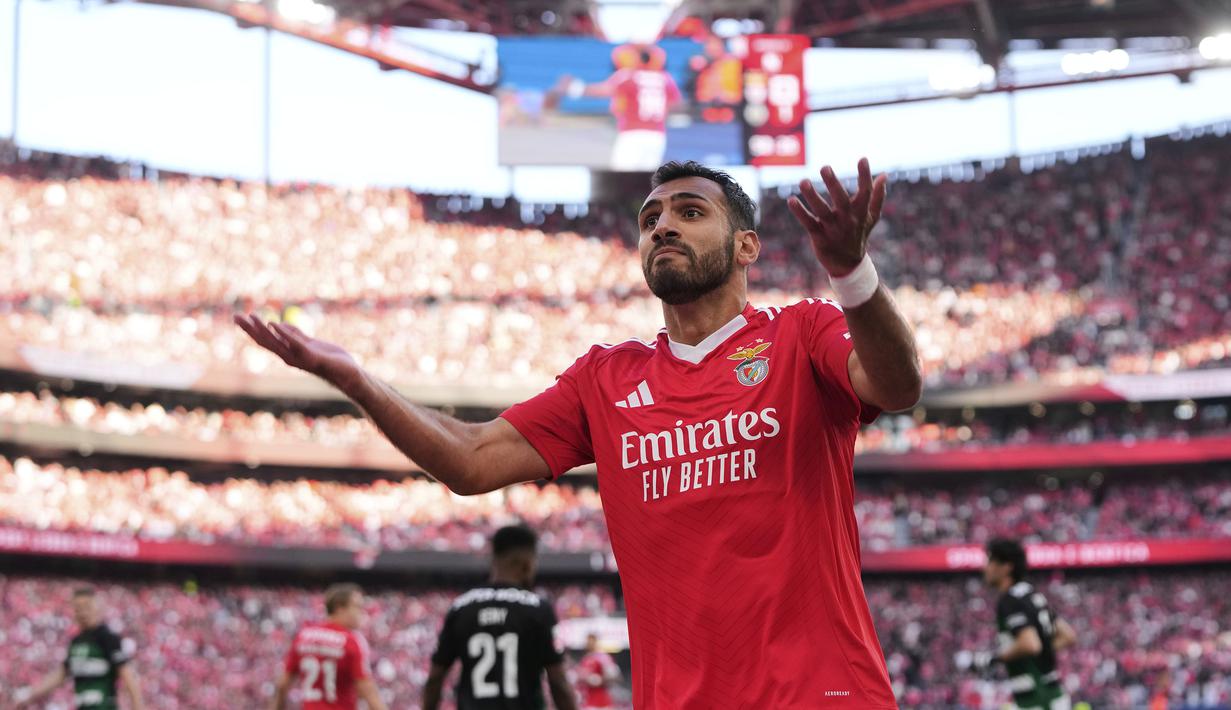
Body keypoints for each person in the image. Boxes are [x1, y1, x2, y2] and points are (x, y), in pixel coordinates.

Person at [236, 156, 922, 707]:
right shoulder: (605, 378)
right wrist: (358, 381)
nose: (663, 227)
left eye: (690, 212)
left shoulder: (801, 331)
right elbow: (470, 461)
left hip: (821, 694)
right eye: (651, 218)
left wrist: (850, 274)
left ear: (746, 246)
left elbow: (896, 385)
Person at [422, 525, 577, 710]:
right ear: (527, 563)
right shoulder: (537, 609)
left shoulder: (461, 608)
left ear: (494, 559)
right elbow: (558, 682)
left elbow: (435, 678)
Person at [980, 539, 1079, 710]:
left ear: (1006, 567)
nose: (985, 568)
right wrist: (1043, 653)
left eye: (990, 562)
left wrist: (994, 659)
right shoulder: (1032, 594)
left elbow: (1030, 644)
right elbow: (1068, 636)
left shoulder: (1010, 600)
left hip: (1036, 698)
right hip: (1053, 692)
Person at [12, 587, 144, 710]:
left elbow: (128, 675)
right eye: (78, 608)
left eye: (87, 606)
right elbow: (61, 674)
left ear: (97, 607)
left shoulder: (108, 638)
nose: (82, 612)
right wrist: (30, 696)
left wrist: (138, 706)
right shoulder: (76, 642)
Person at [270, 583, 387, 710]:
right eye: (357, 607)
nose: (362, 612)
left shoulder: (303, 636)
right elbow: (368, 691)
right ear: (339, 608)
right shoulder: (351, 641)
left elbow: (282, 685)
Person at [576, 633, 619, 710]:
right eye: (587, 642)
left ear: (595, 642)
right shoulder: (585, 658)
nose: (588, 644)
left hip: (602, 703)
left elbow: (614, 676)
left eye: (590, 641)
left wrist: (600, 680)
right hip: (587, 702)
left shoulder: (603, 657)